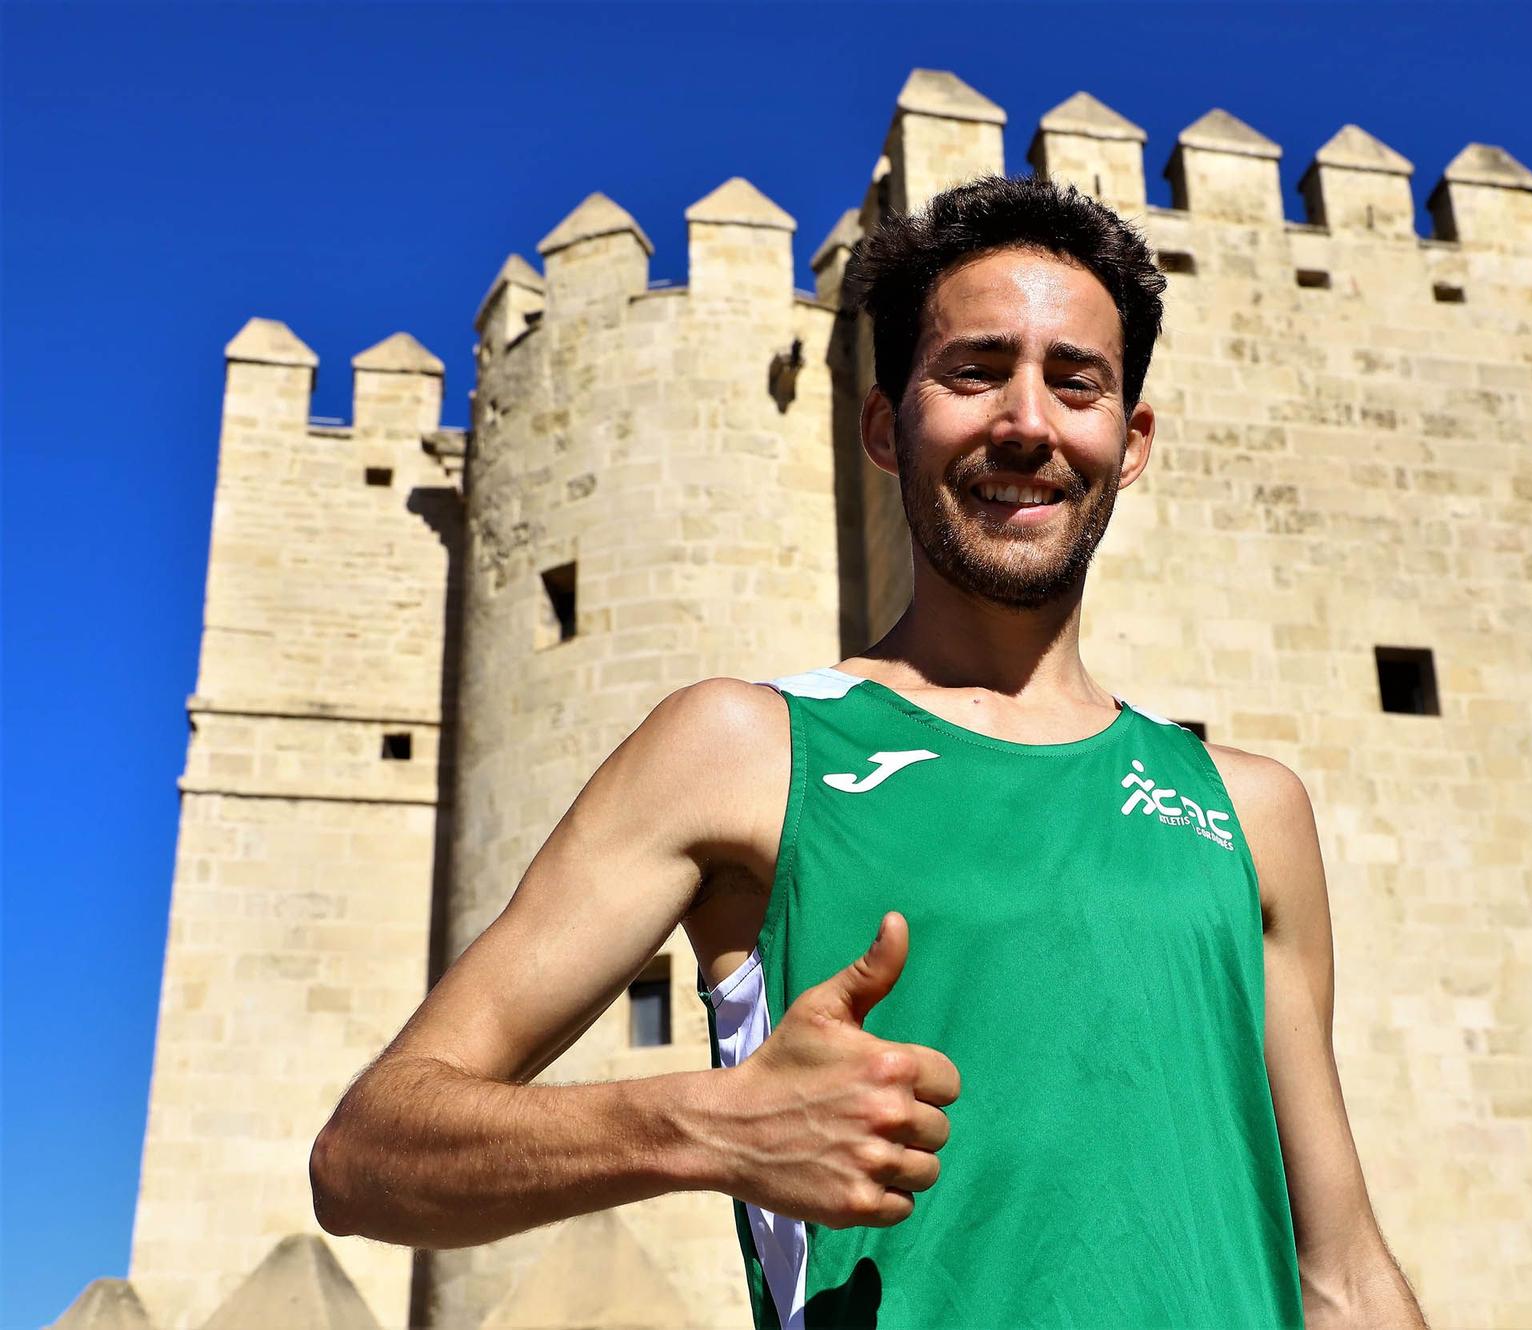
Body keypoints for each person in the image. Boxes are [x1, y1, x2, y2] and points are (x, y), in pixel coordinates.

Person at [310, 174, 1426, 1330]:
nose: (1027, 423)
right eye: (975, 370)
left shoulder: (1249, 811)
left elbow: (1340, 1272)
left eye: (1074, 382)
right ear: (886, 426)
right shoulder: (745, 748)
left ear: (1128, 440)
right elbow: (367, 1155)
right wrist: (712, 1124)